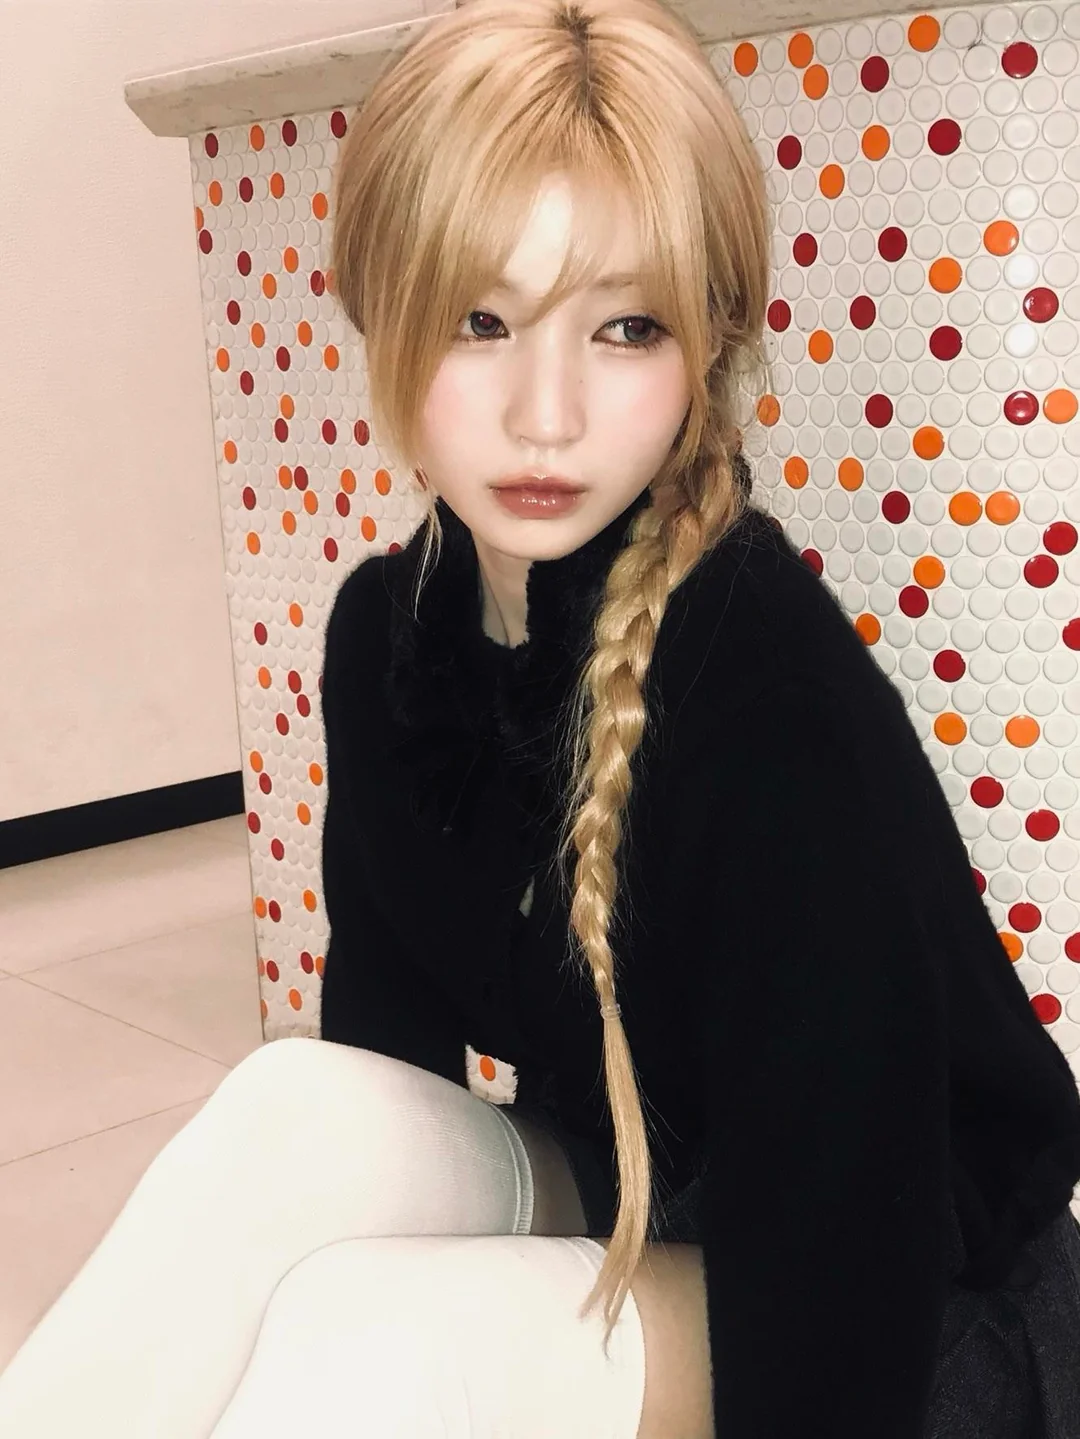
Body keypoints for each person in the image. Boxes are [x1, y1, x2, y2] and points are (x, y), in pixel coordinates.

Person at [1, 0, 1079, 1434]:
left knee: (377, 1353)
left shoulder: (764, 692)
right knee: (289, 1114)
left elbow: (844, 1262)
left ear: (706, 346)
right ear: (383, 313)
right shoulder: (387, 636)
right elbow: (385, 1072)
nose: (546, 413)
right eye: (481, 320)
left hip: (903, 1305)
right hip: (640, 1175)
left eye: (627, 326)